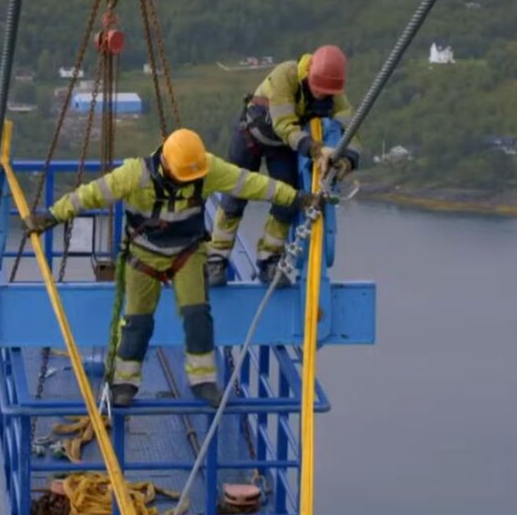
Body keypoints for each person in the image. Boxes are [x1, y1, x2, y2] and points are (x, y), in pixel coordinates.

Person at [25, 128, 320, 407]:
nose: (186, 184)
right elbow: (89, 194)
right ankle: (124, 384)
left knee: (197, 315)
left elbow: (253, 184)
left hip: (187, 252)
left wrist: (295, 197)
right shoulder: (135, 175)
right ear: (166, 165)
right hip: (144, 255)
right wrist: (51, 216)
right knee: (137, 320)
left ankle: (203, 381)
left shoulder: (205, 168)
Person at [207, 45, 362, 287]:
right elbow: (284, 126)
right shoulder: (286, 76)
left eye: (326, 93)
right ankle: (216, 259)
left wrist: (347, 159)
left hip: (282, 147)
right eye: (317, 90)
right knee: (234, 197)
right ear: (309, 73)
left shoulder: (334, 93)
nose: (321, 97)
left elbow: (351, 132)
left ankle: (269, 260)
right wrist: (317, 150)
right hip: (252, 137)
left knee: (287, 201)